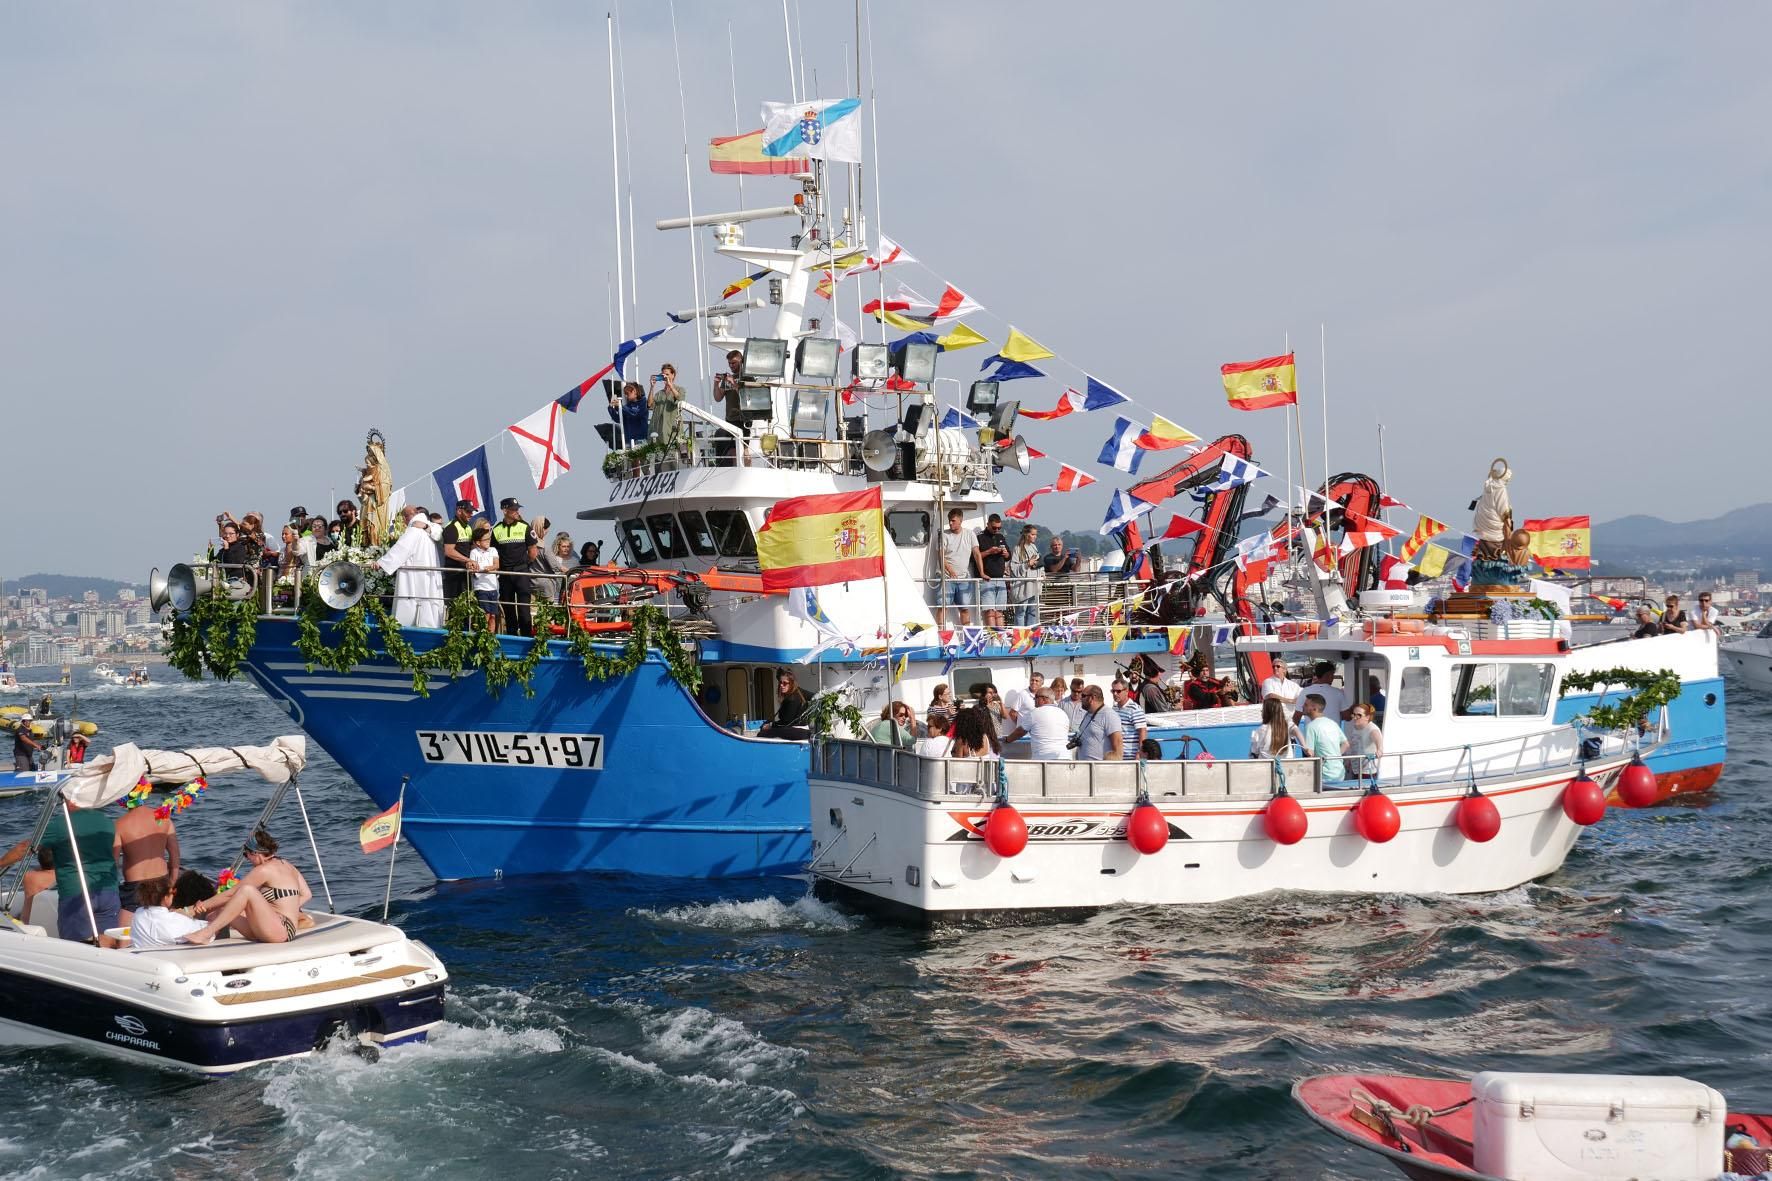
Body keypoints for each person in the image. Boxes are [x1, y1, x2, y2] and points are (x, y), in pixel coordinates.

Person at [0, 800, 119, 942]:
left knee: (77, 946)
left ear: (71, 800)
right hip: (109, 892)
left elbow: (24, 849)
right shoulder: (106, 821)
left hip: (77, 894)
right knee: (107, 943)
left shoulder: (61, 824)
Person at [180, 828, 313, 945]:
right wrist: (286, 908)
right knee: (218, 913)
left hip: (282, 930)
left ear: (255, 853)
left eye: (246, 854)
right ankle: (198, 935)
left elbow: (232, 893)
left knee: (246, 891)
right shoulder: (288, 865)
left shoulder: (264, 870)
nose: (247, 859)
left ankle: (205, 933)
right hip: (269, 926)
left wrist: (196, 907)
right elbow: (307, 894)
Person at [377, 505, 446, 628]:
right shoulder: (430, 528)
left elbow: (401, 549)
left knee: (412, 597)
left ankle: (411, 624)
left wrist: (381, 563)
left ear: (406, 517)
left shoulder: (414, 529)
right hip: (429, 573)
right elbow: (439, 532)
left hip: (416, 574)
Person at [115, 796, 180, 914]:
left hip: (135, 887)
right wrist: (172, 881)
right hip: (162, 881)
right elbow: (174, 854)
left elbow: (113, 862)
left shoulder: (120, 824)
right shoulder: (164, 818)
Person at [118, 874, 207, 950]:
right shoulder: (175, 922)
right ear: (165, 897)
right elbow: (208, 931)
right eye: (172, 893)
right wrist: (202, 913)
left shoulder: (138, 914)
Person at [491, 498, 538, 636]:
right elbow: (494, 552)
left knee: (524, 609)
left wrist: (524, 565)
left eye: (517, 509)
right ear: (505, 510)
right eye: (514, 509)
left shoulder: (525, 527)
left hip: (521, 572)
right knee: (508, 607)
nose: (517, 511)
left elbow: (533, 552)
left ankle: (526, 637)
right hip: (505, 574)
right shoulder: (497, 529)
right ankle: (511, 636)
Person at [934, 509, 982, 628]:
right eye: (949, 521)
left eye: (953, 521)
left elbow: (976, 553)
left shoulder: (970, 534)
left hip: (963, 578)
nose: (950, 523)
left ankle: (967, 636)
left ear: (961, 520)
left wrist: (982, 572)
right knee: (943, 607)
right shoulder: (944, 535)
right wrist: (950, 570)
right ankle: (941, 633)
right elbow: (940, 555)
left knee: (965, 608)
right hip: (946, 578)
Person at [1299, 692, 1349, 782]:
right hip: (1339, 773)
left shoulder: (1311, 727)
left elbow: (1310, 754)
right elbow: (1346, 744)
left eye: (1306, 704)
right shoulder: (1332, 723)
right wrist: (1335, 757)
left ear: (1314, 708)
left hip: (1324, 776)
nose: (1302, 706)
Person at [975, 514, 1011, 627]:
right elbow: (974, 557)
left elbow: (1008, 556)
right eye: (994, 527)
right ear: (988, 524)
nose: (996, 530)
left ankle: (1000, 637)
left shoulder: (1001, 537)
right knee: (989, 611)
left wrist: (1006, 554)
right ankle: (992, 638)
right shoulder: (980, 537)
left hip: (1000, 578)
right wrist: (989, 552)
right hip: (987, 579)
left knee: (999, 611)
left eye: (999, 528)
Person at [440, 499, 478, 604]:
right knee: (455, 607)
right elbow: (448, 551)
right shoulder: (451, 527)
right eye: (468, 511)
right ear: (459, 511)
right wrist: (468, 560)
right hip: (453, 574)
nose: (471, 514)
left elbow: (470, 548)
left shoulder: (468, 528)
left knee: (467, 605)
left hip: (465, 573)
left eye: (472, 512)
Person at [1023, 685, 1072, 761]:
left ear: (1044, 699)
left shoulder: (1034, 713)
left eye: (1036, 697)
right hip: (1065, 757)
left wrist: (1007, 740)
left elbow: (1020, 731)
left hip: (1044, 758)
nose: (1034, 699)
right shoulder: (1063, 713)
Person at [466, 525, 501, 631]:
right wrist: (471, 566)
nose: (488, 541)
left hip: (493, 587)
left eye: (489, 538)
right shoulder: (474, 552)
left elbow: (496, 565)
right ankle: (482, 635)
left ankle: (490, 636)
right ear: (478, 542)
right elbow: (471, 565)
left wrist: (489, 568)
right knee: (485, 614)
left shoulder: (493, 550)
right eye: (485, 539)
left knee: (493, 615)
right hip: (481, 588)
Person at [1009, 525, 1044, 627]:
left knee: (1032, 612)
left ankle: (1030, 637)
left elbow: (1039, 563)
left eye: (1035, 535)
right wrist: (1027, 564)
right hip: (1023, 586)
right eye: (1033, 534)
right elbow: (1013, 568)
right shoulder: (1018, 549)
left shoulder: (1034, 547)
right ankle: (1020, 637)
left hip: (1034, 585)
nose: (1035, 537)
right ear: (1026, 535)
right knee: (1021, 612)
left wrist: (1042, 573)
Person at [1075, 685, 1122, 761]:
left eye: (1083, 695)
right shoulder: (1088, 714)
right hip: (1085, 768)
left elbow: (1118, 744)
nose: (1080, 698)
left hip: (1100, 769)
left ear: (1092, 698)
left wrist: (1114, 768)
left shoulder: (1108, 714)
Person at [760, 671, 811, 739]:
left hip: (795, 731)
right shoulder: (800, 691)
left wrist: (771, 725)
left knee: (762, 733)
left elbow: (785, 723)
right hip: (805, 730)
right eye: (780, 682)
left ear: (791, 684)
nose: (781, 685)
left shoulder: (791, 700)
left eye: (785, 683)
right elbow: (815, 696)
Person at [1344, 702, 1385, 782]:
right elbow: (1352, 744)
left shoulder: (1372, 729)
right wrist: (1348, 759)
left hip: (1368, 771)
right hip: (1355, 768)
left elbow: (1379, 743)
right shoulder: (1355, 727)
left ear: (1367, 717)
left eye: (1358, 715)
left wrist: (1379, 750)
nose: (1355, 717)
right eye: (1353, 714)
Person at [649, 363, 686, 451]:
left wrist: (671, 386)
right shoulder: (659, 393)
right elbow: (650, 405)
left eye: (667, 374)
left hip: (672, 431)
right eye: (663, 375)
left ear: (673, 375)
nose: (665, 377)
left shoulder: (679, 389)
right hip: (658, 432)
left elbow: (680, 398)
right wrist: (652, 387)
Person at [608, 380, 653, 450]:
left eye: (627, 393)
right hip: (629, 439)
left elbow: (636, 414)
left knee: (640, 460)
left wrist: (621, 406)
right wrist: (610, 408)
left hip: (641, 439)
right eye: (625, 394)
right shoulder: (628, 406)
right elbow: (618, 419)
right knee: (631, 460)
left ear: (634, 392)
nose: (626, 396)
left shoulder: (643, 402)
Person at [1109, 679, 1147, 761]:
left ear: (1126, 691)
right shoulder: (1114, 708)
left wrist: (1140, 752)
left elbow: (1142, 731)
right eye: (1113, 691)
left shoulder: (1134, 709)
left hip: (1131, 756)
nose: (1115, 694)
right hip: (1118, 755)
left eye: (1118, 691)